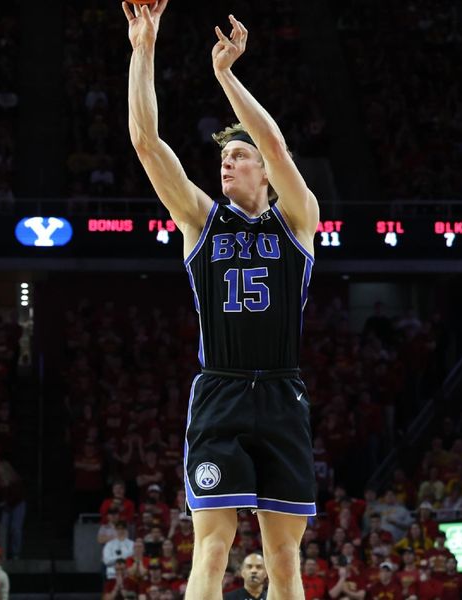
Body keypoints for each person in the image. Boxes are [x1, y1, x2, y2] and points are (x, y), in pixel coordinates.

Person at [124, 3, 319, 600]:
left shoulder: (298, 221)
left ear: (263, 171)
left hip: (283, 394)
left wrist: (228, 78)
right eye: (223, 158)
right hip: (221, 391)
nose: (226, 163)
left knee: (284, 558)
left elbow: (278, 148)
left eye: (238, 156)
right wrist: (144, 48)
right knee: (212, 547)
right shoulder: (201, 221)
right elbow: (146, 141)